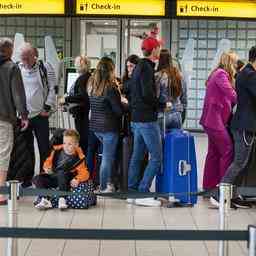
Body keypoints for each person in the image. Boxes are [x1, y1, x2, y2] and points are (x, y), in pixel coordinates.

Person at [211, 46, 256, 209]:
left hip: (244, 124)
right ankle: (219, 194)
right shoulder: (250, 75)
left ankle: (233, 194)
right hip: (245, 125)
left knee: (243, 162)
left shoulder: (246, 72)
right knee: (239, 162)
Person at [127, 37, 162, 207]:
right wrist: (163, 104)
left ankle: (132, 192)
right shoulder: (147, 68)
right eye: (158, 48)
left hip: (136, 118)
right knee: (156, 157)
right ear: (154, 50)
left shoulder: (138, 67)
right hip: (147, 119)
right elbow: (148, 95)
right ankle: (142, 192)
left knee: (137, 155)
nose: (159, 51)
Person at [200, 52, 237, 192]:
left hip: (211, 120)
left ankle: (209, 186)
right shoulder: (221, 74)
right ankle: (224, 188)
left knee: (213, 153)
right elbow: (231, 94)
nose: (235, 66)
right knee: (227, 150)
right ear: (229, 63)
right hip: (215, 121)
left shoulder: (217, 73)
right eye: (234, 62)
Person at [19, 43, 56, 176]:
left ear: (35, 56)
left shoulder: (45, 68)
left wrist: (47, 107)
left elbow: (52, 89)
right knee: (27, 149)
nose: (25, 61)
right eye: (22, 58)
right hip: (24, 117)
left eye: (27, 58)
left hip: (41, 115)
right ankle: (27, 177)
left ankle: (43, 176)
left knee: (44, 147)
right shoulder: (18, 68)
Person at [87, 58, 123, 192]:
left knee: (107, 156)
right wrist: (125, 104)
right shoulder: (111, 88)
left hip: (96, 127)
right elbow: (118, 111)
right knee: (107, 158)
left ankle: (108, 182)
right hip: (109, 128)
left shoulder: (92, 85)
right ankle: (103, 187)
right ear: (110, 71)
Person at [0, 38, 29, 205]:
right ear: (9, 50)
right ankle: (2, 194)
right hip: (4, 117)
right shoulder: (11, 67)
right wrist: (23, 116)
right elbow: (18, 94)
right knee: (3, 154)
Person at [33, 129, 90, 210]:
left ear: (76, 145)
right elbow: (48, 161)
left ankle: (62, 199)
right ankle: (45, 199)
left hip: (66, 179)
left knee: (61, 172)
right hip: (55, 177)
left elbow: (85, 173)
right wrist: (47, 168)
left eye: (69, 144)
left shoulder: (79, 158)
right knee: (37, 178)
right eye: (64, 143)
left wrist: (77, 179)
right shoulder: (56, 151)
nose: (66, 146)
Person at [63, 55, 91, 154]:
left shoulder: (82, 79)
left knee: (82, 139)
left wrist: (66, 98)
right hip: (85, 113)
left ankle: (83, 162)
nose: (75, 66)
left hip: (81, 113)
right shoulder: (88, 76)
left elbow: (82, 96)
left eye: (76, 64)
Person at [155, 49, 184, 131]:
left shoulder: (157, 76)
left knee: (161, 143)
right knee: (175, 142)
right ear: (170, 59)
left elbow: (155, 97)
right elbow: (183, 96)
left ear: (159, 60)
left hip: (162, 114)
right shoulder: (178, 75)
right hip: (177, 114)